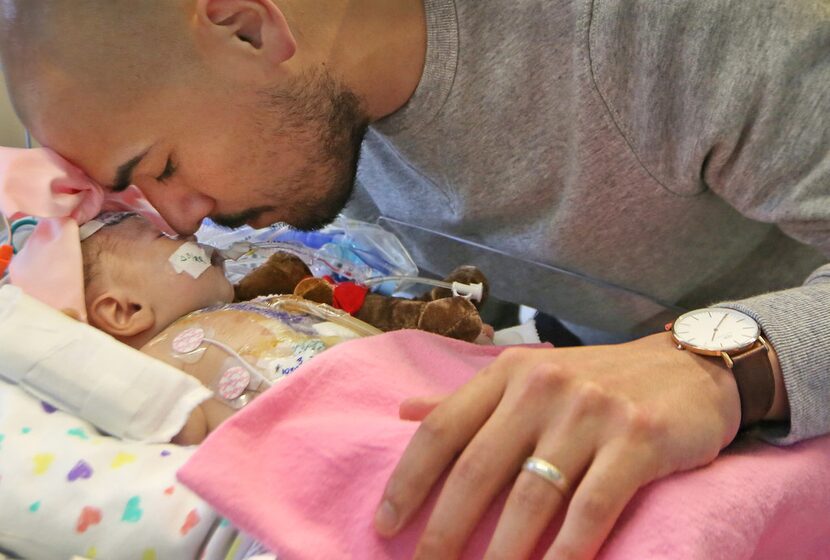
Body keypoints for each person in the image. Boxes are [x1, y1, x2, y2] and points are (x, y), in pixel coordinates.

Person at [0, 1, 827, 558]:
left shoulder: (662, 32)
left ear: (248, 26)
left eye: (163, 168)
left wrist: (717, 366)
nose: (181, 223)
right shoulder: (311, 152)